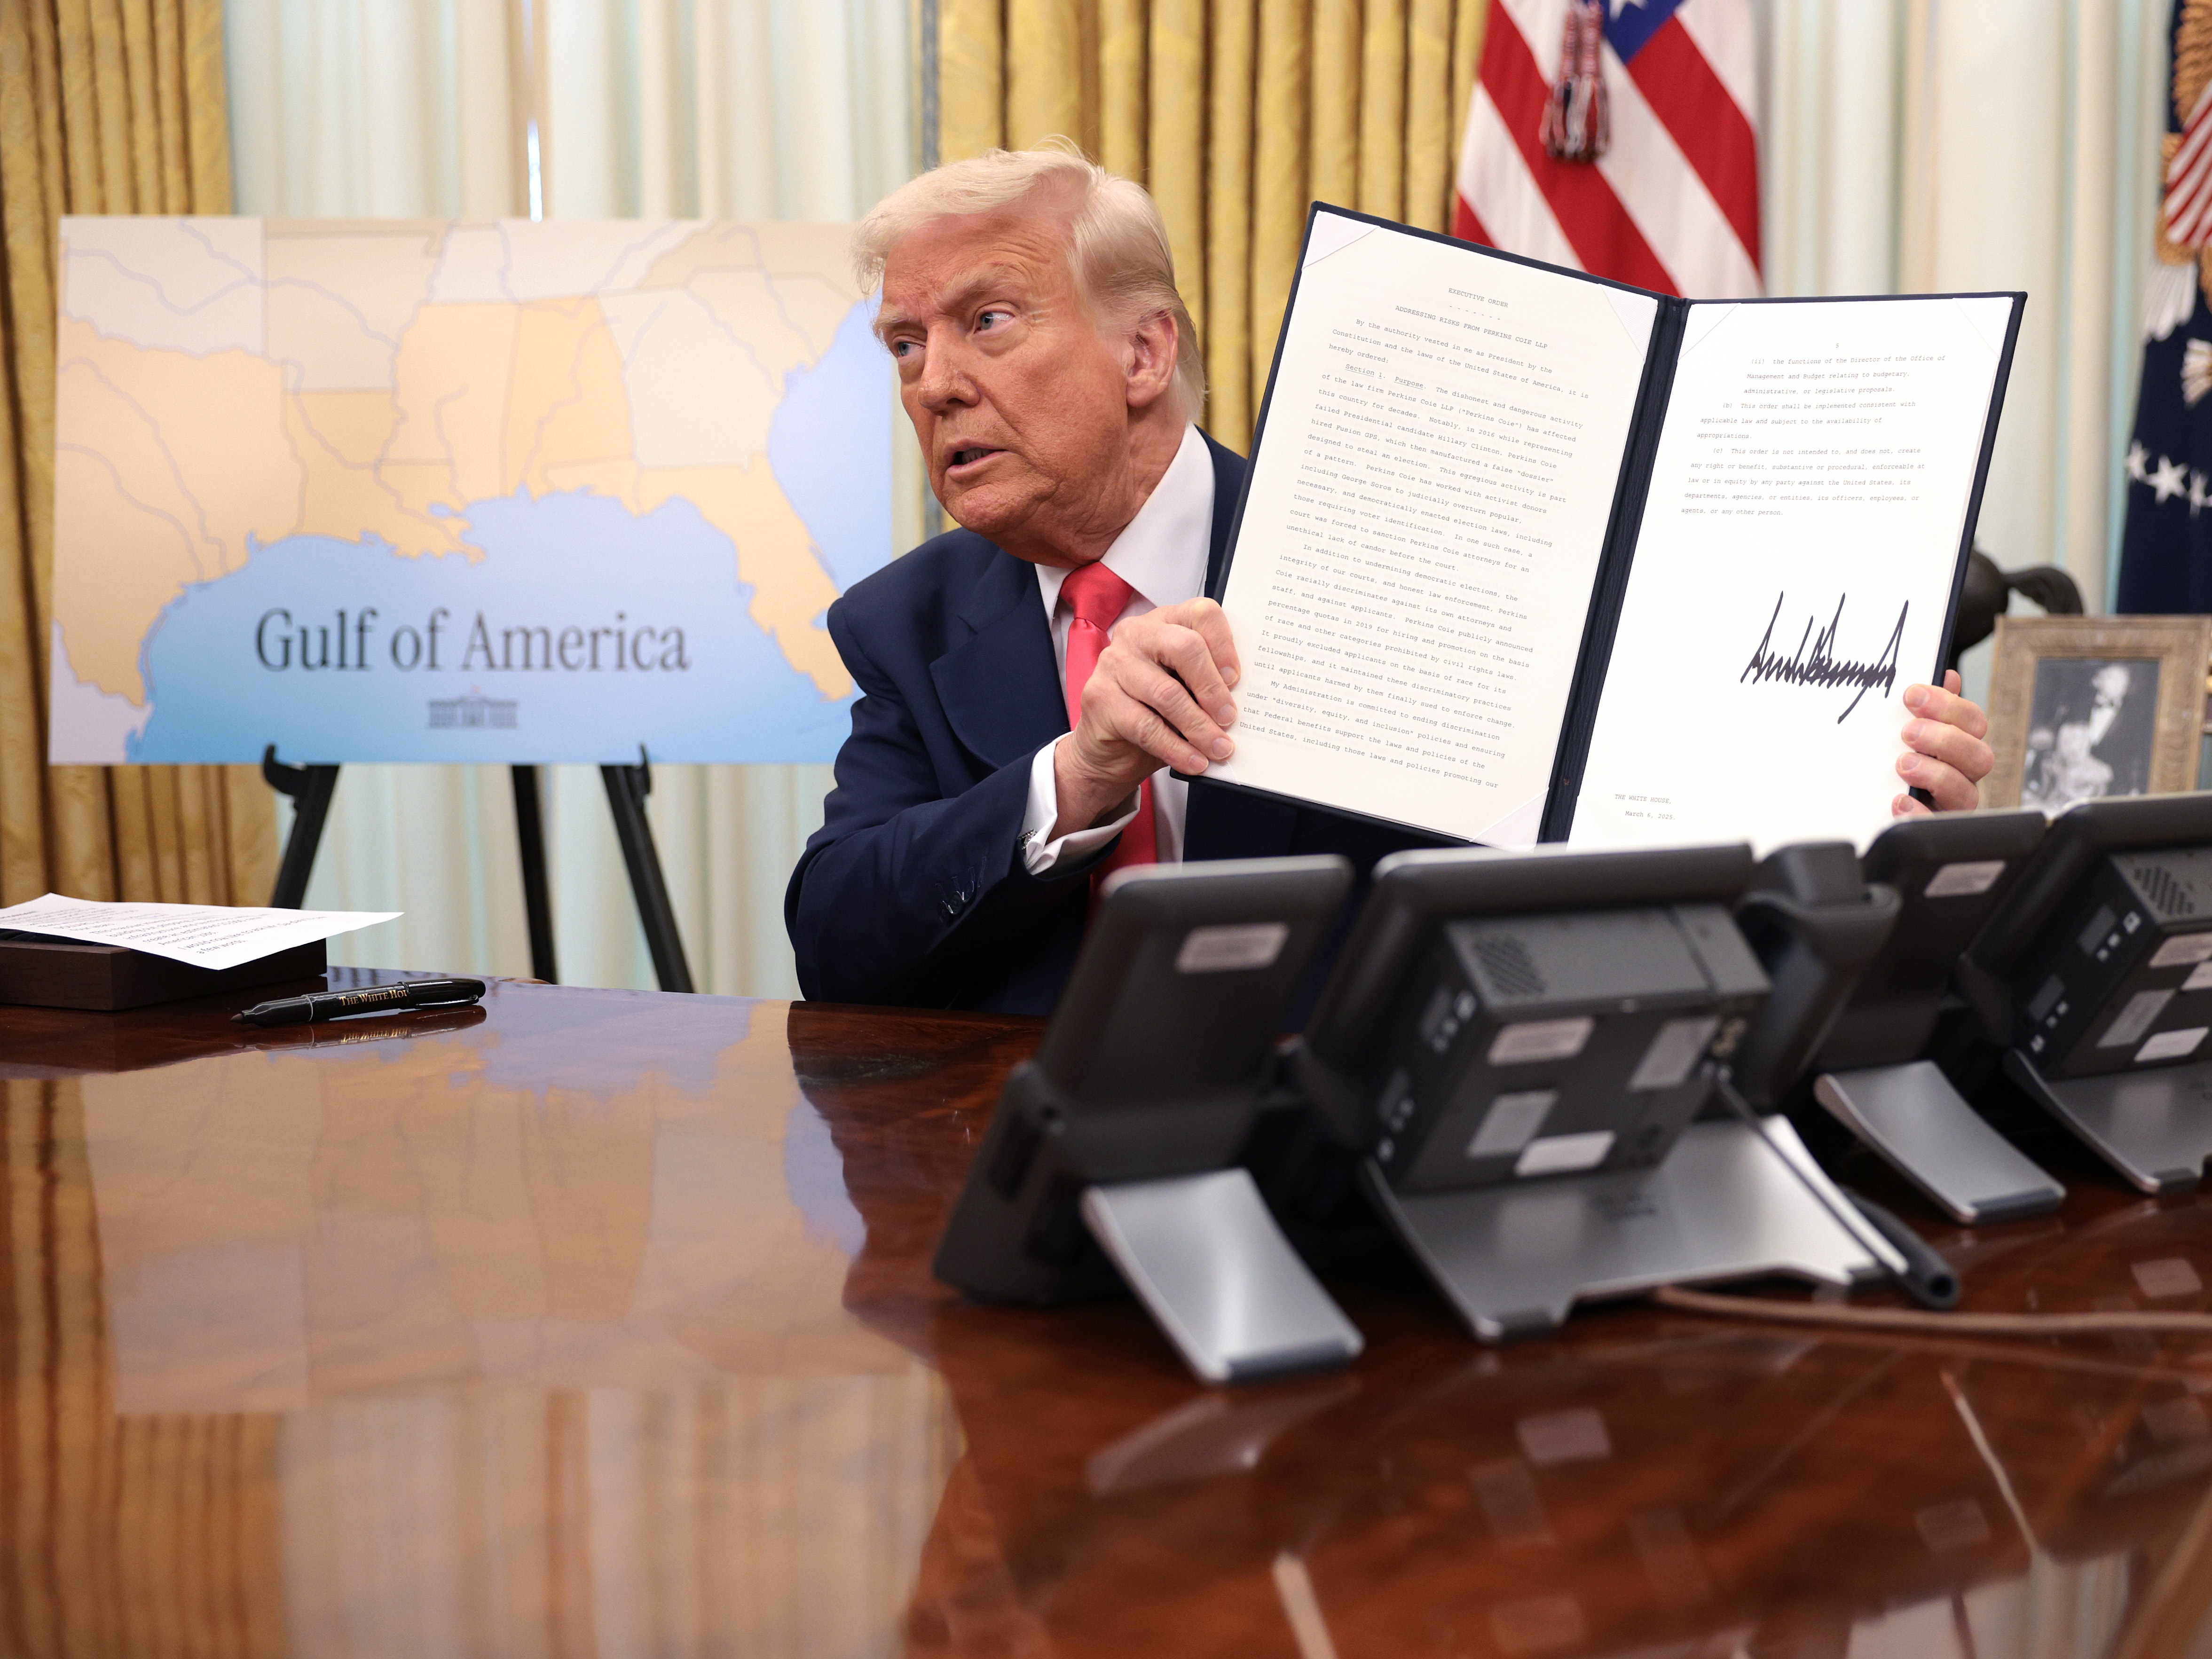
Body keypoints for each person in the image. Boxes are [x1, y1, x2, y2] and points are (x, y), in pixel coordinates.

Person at [785, 149, 1997, 1014]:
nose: (933, 381)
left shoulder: (1401, 552)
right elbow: (836, 940)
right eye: (906, 342)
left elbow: (1586, 890)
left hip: (1358, 1187)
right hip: (1013, 1175)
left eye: (987, 321)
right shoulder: (909, 622)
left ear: (1144, 349)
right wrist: (1081, 775)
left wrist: (1874, 833)